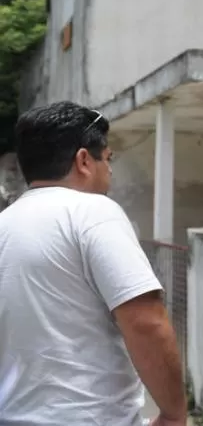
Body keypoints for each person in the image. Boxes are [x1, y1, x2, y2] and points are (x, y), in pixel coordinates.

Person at [0, 102, 187, 425]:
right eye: (108, 159)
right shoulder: (93, 212)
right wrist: (173, 414)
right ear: (84, 160)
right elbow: (146, 322)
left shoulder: (5, 225)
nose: (110, 171)